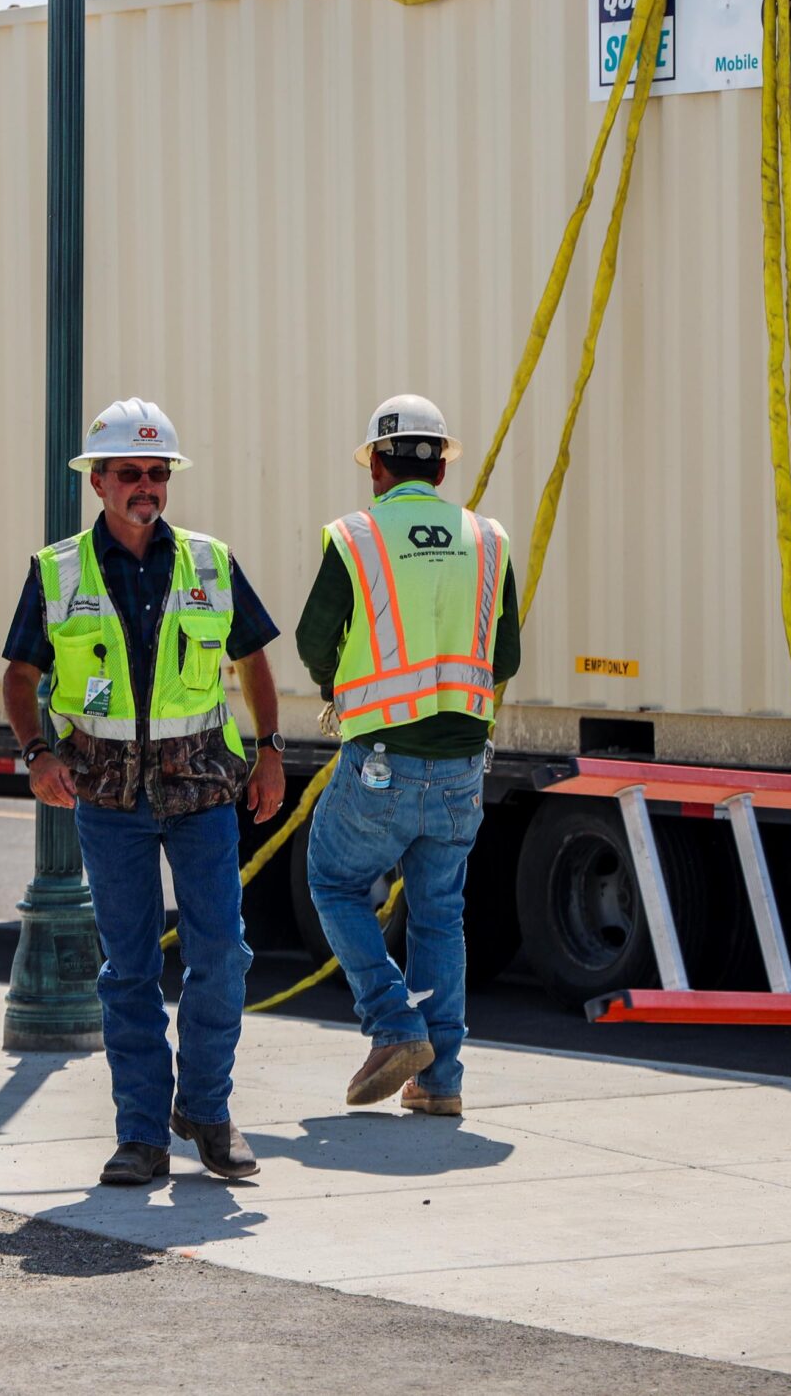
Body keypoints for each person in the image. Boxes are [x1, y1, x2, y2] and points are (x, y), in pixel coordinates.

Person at [0, 398, 287, 1187]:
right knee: (127, 968)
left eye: (157, 473)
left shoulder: (209, 561)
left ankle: (206, 1108)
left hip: (200, 788)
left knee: (221, 953)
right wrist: (36, 754)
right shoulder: (57, 570)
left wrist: (268, 751)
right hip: (109, 796)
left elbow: (254, 656)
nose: (147, 487)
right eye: (130, 473)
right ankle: (140, 1133)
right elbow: (20, 676)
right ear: (98, 480)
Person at [295, 395, 518, 1116]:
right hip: (460, 765)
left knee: (332, 880)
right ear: (443, 466)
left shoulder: (356, 537)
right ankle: (440, 1080)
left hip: (381, 759)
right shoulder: (488, 539)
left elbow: (311, 638)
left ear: (379, 467)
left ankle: (394, 1022)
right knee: (437, 915)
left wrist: (342, 684)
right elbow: (506, 652)